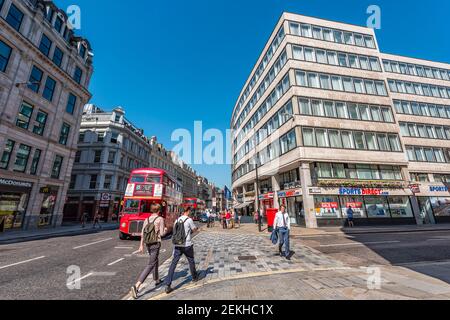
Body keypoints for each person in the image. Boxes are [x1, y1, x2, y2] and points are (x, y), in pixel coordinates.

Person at [130, 204, 167, 299]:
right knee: (151, 264)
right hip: (156, 243)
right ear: (159, 210)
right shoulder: (160, 219)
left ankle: (156, 279)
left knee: (155, 260)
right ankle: (137, 286)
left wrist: (141, 245)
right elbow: (162, 233)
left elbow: (142, 233)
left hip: (148, 243)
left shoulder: (146, 219)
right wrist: (166, 229)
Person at [165, 207, 199, 294]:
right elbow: (194, 229)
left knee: (173, 264)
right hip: (187, 244)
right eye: (189, 211)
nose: (190, 212)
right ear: (187, 211)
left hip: (177, 244)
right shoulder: (189, 220)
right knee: (191, 260)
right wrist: (195, 229)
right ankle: (194, 277)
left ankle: (168, 285)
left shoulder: (177, 220)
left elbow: (174, 231)